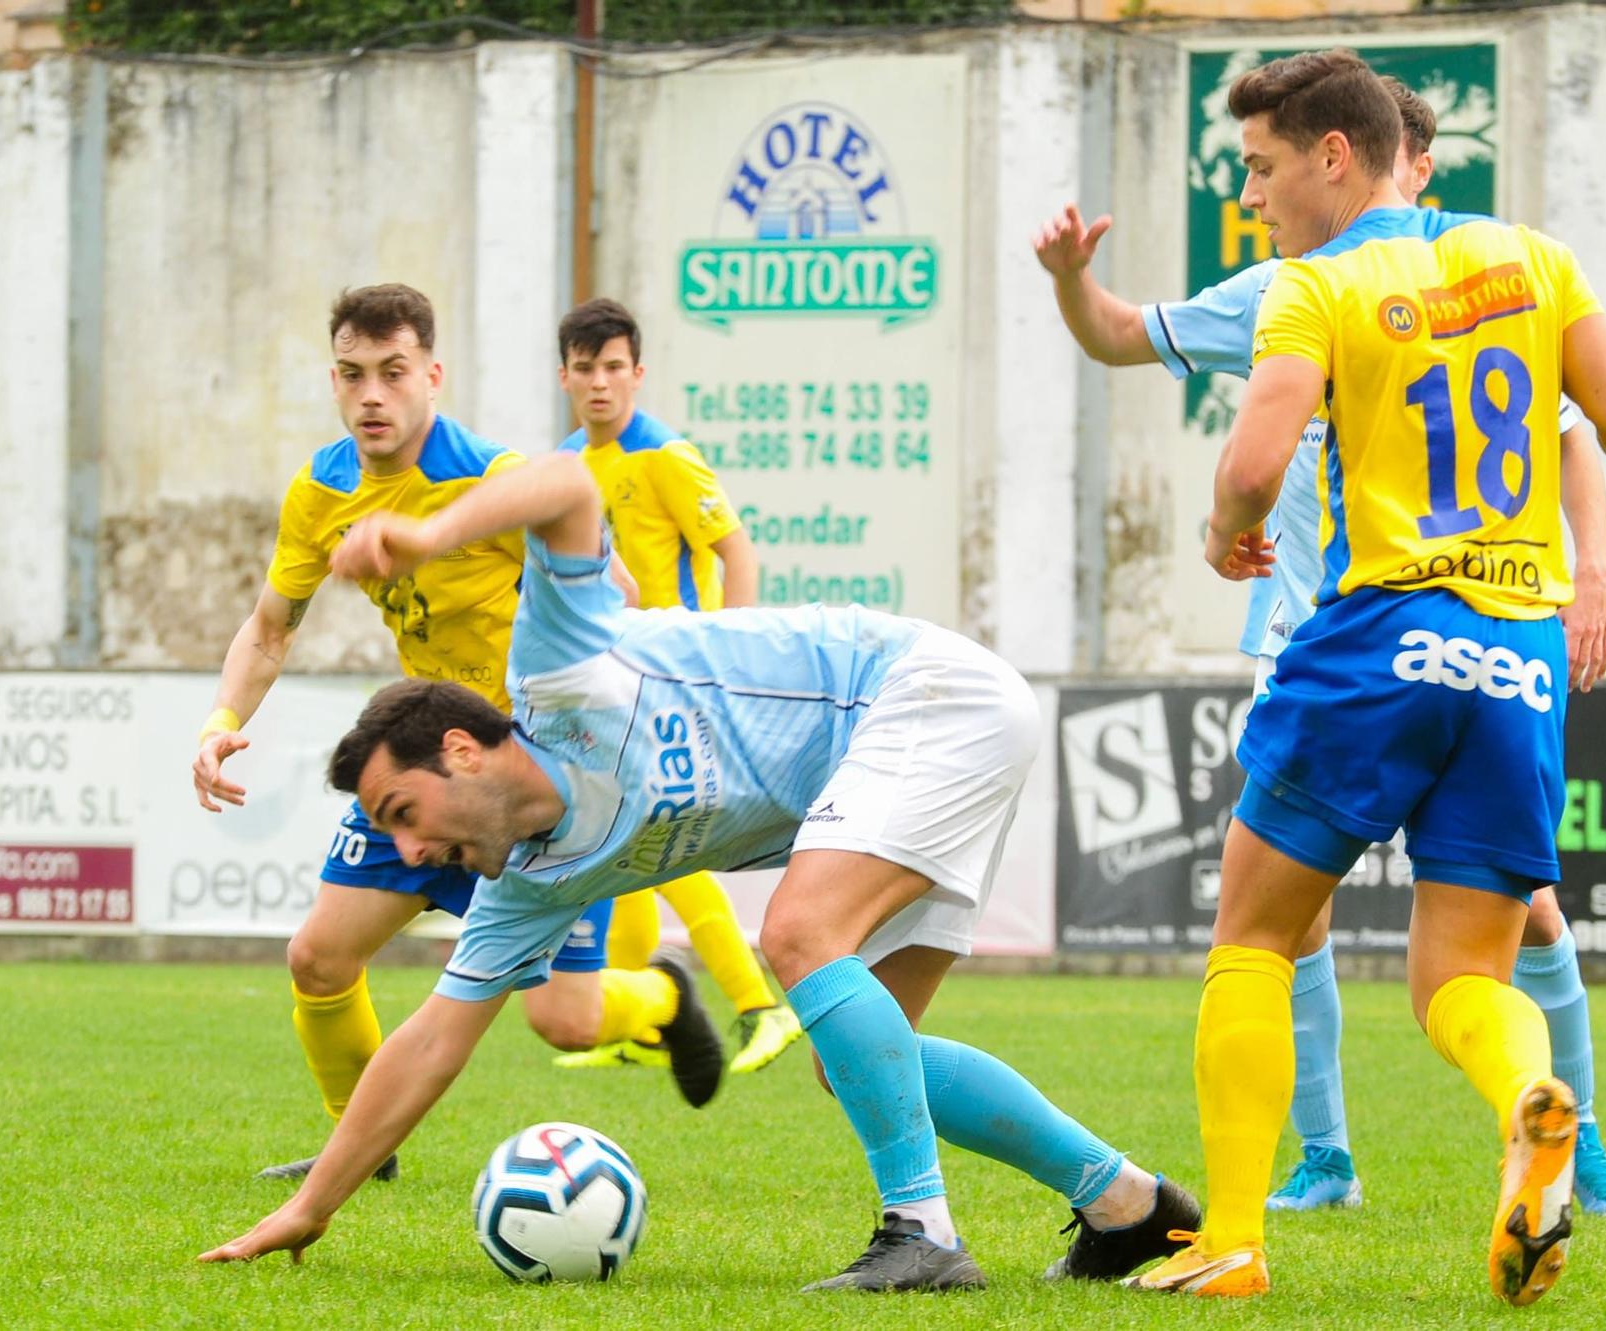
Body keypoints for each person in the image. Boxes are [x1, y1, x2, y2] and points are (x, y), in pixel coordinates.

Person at [198, 450, 1200, 1292]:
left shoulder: (555, 669)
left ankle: (923, 1232)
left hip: (922, 693)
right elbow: (427, 1045)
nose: (410, 853)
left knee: (797, 936)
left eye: (403, 815)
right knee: (849, 1052)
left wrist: (426, 534)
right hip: (922, 742)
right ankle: (1129, 1204)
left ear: (462, 750)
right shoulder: (526, 882)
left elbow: (561, 487)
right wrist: (308, 1204)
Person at [1117, 50, 1606, 1302]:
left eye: (1261, 172)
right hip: (1516, 655)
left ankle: (1233, 1243)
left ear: (1332, 154)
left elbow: (1255, 461)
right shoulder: (1530, 256)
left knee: (1253, 936)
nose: (1254, 199)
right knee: (1461, 979)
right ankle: (1530, 1102)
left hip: (1378, 637)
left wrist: (1224, 533)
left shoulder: (1316, 284)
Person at [191, 285, 724, 1182]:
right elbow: (270, 628)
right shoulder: (322, 490)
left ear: (431, 375)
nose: (373, 395)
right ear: (334, 381)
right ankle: (360, 1146)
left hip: (525, 776)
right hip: (419, 759)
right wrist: (220, 722)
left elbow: (618, 594)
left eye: (393, 372)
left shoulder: (490, 477)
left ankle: (661, 995)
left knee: (563, 1018)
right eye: (354, 375)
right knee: (318, 957)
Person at [546, 297, 802, 1077]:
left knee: (660, 841)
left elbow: (736, 549)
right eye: (585, 368)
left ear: (638, 372)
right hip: (607, 679)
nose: (600, 383)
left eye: (614, 367)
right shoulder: (565, 463)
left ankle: (762, 1004)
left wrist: (737, 653)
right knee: (623, 844)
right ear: (565, 377)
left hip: (677, 675)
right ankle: (642, 1025)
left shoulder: (665, 453)